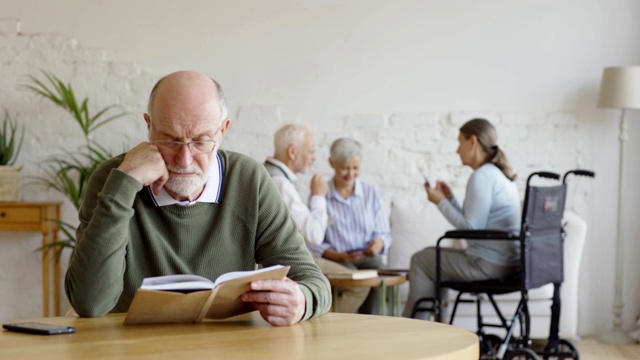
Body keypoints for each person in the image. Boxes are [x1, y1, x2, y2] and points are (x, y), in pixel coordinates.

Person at [65, 71, 331, 326]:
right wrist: (124, 185)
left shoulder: (248, 180)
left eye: (201, 142)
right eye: (169, 141)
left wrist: (301, 301)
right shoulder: (114, 179)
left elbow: (313, 281)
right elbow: (91, 303)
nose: (184, 159)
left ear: (223, 131)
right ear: (149, 126)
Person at [402, 118, 521, 319]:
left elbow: (471, 228)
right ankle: (439, 328)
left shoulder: (482, 176)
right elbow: (477, 222)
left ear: (473, 141)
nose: (457, 150)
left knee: (421, 260)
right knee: (432, 258)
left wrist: (439, 202)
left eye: (460, 142)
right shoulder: (497, 175)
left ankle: (413, 330)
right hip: (507, 264)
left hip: (487, 265)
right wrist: (449, 199)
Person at [264, 124, 369, 313]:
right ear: (293, 152)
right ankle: (326, 326)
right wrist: (318, 196)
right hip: (288, 257)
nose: (314, 157)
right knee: (359, 284)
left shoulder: (269, 174)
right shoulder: (280, 183)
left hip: (282, 254)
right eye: (311, 151)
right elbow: (314, 235)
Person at [314, 137, 392, 314]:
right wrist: (338, 255)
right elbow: (314, 240)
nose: (350, 173)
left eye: (355, 168)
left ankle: (373, 325)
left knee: (379, 272)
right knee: (353, 279)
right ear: (332, 163)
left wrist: (378, 243)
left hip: (367, 257)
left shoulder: (371, 193)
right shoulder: (321, 195)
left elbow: (383, 232)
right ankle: (340, 324)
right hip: (338, 259)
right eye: (344, 168)